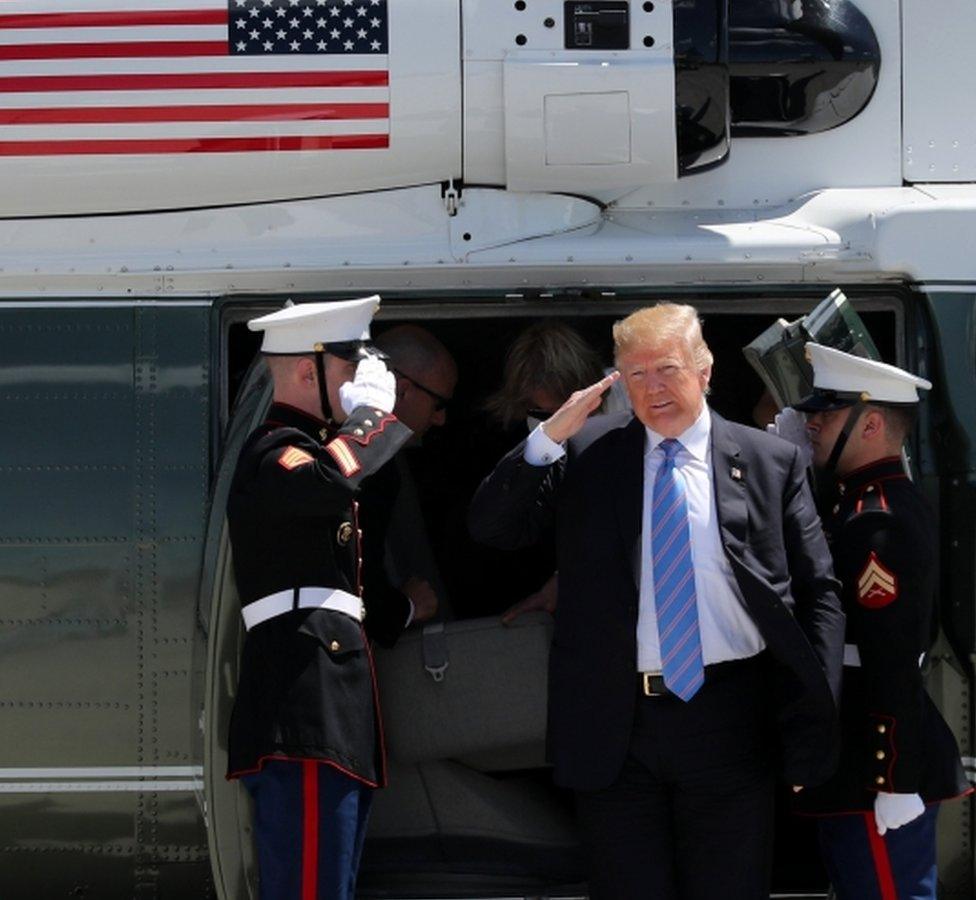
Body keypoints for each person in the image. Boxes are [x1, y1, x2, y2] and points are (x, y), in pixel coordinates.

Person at [468, 302, 845, 900]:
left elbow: (819, 595)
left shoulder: (771, 461)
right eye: (636, 376)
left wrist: (813, 724)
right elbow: (493, 528)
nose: (653, 388)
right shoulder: (589, 453)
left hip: (729, 721)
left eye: (667, 369)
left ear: (705, 370)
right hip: (619, 729)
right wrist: (548, 436)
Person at [224, 296, 418, 900]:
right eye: (350, 368)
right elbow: (326, 482)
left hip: (327, 704)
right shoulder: (272, 450)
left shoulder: (311, 448)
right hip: (302, 702)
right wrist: (372, 421)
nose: (363, 381)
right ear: (310, 370)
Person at [788, 343, 971, 899]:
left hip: (874, 770)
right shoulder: (859, 503)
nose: (811, 422)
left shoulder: (877, 520)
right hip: (857, 765)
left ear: (870, 423)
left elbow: (891, 658)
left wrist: (892, 778)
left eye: (827, 411)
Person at [373, 324, 458, 618]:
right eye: (438, 404)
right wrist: (404, 608)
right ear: (403, 391)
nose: (440, 419)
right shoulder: (366, 466)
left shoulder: (384, 459)